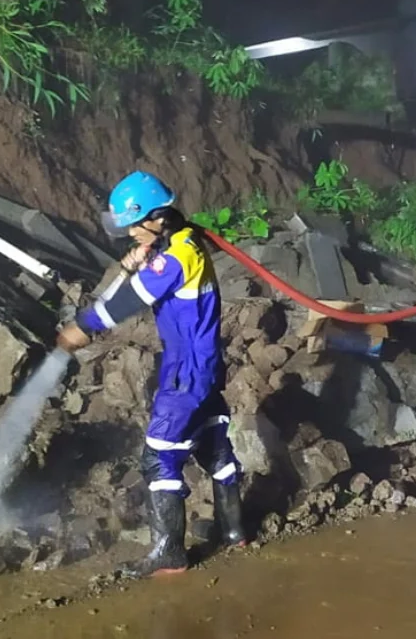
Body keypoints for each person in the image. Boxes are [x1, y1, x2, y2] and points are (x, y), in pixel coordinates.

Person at [55, 171, 246, 578]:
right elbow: (141, 275)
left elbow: (125, 303)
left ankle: (169, 552)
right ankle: (233, 530)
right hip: (204, 361)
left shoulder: (174, 258)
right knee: (213, 442)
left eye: (133, 227)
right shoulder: (182, 241)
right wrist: (132, 262)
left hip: (187, 368)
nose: (130, 235)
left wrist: (81, 326)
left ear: (156, 216)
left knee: (159, 454)